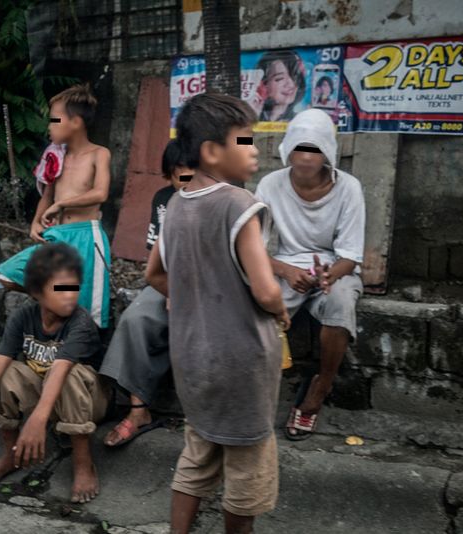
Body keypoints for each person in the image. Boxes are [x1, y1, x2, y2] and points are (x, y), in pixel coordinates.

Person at [146, 93, 290, 534]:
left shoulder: (173, 208)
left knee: (198, 455)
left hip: (192, 361)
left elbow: (154, 273)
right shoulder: (238, 203)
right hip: (241, 363)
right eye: (245, 141)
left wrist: (194, 299)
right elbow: (265, 289)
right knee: (247, 468)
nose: (254, 151)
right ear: (211, 151)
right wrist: (281, 310)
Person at [0, 243, 108, 504]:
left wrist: (37, 420)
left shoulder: (80, 323)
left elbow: (59, 369)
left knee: (70, 375)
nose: (70, 295)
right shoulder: (23, 317)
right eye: (60, 288)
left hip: (88, 402)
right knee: (3, 370)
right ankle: (11, 454)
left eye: (73, 287)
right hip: (47, 397)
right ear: (37, 292)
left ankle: (83, 462)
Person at [254, 108, 365, 440]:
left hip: (333, 270)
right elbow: (253, 247)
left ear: (328, 153)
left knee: (342, 301)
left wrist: (329, 275)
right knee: (250, 296)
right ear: (287, 149)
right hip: (287, 266)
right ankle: (255, 387)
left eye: (315, 150)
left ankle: (321, 386)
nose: (305, 158)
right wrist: (286, 270)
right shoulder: (270, 184)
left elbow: (351, 255)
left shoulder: (349, 188)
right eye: (300, 148)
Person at [0, 83, 112, 329]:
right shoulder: (55, 155)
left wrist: (62, 205)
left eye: (54, 120)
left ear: (76, 122)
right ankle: (52, 302)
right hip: (57, 237)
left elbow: (100, 193)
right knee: (7, 274)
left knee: (87, 310)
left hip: (86, 237)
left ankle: (81, 354)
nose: (49, 126)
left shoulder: (99, 154)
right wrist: (36, 222)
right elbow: (47, 195)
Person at [99, 139, 192, 447]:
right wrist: (169, 288)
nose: (186, 180)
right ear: (169, 175)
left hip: (209, 286)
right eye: (180, 175)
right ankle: (138, 410)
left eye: (192, 172)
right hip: (168, 280)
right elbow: (155, 256)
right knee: (135, 318)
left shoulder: (219, 200)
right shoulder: (163, 200)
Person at [255, 50, 306, 122]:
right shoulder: (254, 117)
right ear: (263, 84)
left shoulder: (300, 121)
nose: (290, 84)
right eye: (280, 78)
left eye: (294, 76)